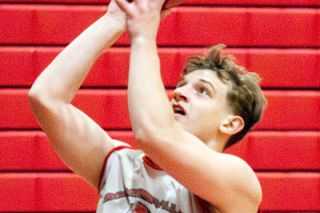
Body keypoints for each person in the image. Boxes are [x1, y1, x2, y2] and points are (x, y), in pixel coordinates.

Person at [28, 0, 267, 212]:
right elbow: (46, 98)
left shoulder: (238, 182)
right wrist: (115, 18)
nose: (180, 93)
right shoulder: (119, 164)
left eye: (202, 91)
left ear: (230, 123)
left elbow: (153, 135)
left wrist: (143, 33)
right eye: (182, 85)